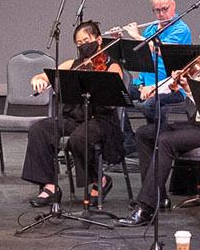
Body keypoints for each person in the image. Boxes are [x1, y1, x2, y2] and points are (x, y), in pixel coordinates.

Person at [119, 12, 200, 226]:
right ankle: (156, 196)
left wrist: (188, 88)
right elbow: (176, 79)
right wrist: (154, 88)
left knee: (165, 141)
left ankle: (146, 208)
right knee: (145, 133)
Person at [22, 21, 126, 209]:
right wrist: (37, 79)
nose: (83, 45)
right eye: (78, 43)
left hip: (100, 120)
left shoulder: (112, 66)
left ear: (99, 39)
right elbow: (45, 76)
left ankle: (99, 179)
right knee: (40, 129)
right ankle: (50, 186)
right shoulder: (72, 64)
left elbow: (114, 98)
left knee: (79, 138)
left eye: (86, 40)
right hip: (74, 118)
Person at [118, 0, 193, 124]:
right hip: (144, 83)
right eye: (157, 11)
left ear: (173, 5)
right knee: (116, 93)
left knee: (150, 105)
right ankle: (128, 141)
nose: (161, 14)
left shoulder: (181, 29)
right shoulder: (151, 29)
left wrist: (136, 35)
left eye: (164, 9)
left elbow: (162, 49)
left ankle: (158, 139)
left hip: (171, 86)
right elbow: (140, 52)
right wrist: (120, 39)